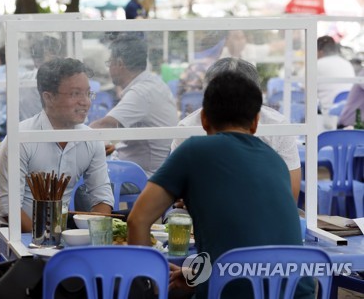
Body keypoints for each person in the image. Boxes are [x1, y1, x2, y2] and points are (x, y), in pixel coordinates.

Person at [128, 71, 314, 299]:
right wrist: (194, 277)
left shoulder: (193, 151)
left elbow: (137, 220)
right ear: (255, 123)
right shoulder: (275, 161)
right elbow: (238, 239)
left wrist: (148, 286)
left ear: (204, 118)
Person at [0, 58, 114, 263]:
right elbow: (10, 208)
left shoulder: (90, 139)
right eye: (75, 94)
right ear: (49, 97)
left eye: (87, 93)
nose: (86, 102)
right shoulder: (21, 139)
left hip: (60, 235)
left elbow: (102, 198)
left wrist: (96, 238)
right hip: (10, 235)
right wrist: (50, 241)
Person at [172, 58, 302, 200]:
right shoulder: (188, 129)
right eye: (219, 98)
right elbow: (175, 191)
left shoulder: (277, 126)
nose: (231, 107)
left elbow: (291, 193)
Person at [90, 35, 178, 178]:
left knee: (84, 184)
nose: (109, 68)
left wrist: (72, 138)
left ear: (120, 64)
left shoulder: (141, 92)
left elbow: (105, 125)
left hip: (142, 175)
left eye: (109, 63)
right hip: (150, 168)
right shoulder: (153, 83)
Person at [317, 35, 353, 114]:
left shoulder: (318, 64)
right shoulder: (346, 63)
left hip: (328, 112)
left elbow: (305, 89)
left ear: (320, 52)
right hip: (348, 109)